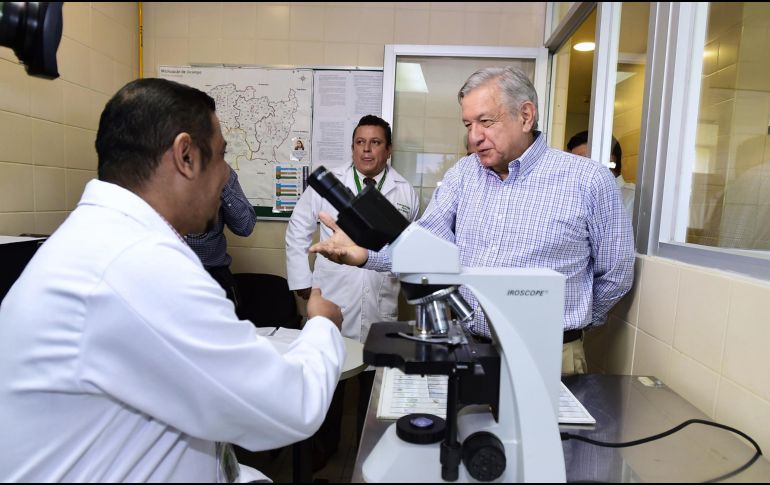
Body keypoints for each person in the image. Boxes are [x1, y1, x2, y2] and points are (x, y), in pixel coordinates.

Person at [0, 78, 345, 482]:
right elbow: (291, 406)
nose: (225, 177)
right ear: (185, 155)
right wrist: (322, 324)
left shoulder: (106, 239)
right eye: (221, 157)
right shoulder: (136, 263)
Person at [310, 66, 635, 376]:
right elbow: (423, 247)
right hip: (471, 348)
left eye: (485, 121)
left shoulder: (588, 180)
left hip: (549, 354)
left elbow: (616, 273)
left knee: (549, 436)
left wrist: (569, 325)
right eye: (468, 125)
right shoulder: (463, 175)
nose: (474, 137)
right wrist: (364, 255)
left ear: (525, 115)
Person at [285, 114, 419, 461]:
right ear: (353, 147)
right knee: (330, 377)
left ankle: (367, 454)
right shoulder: (329, 183)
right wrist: (302, 282)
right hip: (334, 293)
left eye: (375, 143)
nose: (367, 150)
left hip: (379, 297)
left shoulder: (404, 191)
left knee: (372, 388)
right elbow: (298, 229)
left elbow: (410, 250)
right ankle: (321, 452)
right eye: (360, 142)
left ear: (388, 149)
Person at [185, 165, 256, 310]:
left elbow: (245, 226)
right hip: (167, 275)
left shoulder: (221, 170)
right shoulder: (153, 169)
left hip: (214, 276)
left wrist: (221, 185)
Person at [567, 130, 636, 217]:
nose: (577, 167)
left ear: (610, 159)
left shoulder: (632, 198)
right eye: (575, 162)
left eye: (584, 160)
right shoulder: (579, 197)